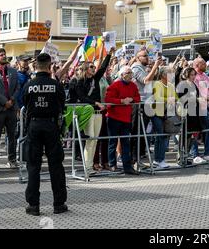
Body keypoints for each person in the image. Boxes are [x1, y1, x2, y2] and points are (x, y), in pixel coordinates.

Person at [22, 53, 67, 216]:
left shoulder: (29, 85)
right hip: (51, 125)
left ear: (35, 67)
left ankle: (33, 206)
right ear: (50, 67)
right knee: (56, 165)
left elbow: (24, 103)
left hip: (34, 125)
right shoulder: (56, 85)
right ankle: (59, 204)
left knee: (33, 166)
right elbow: (62, 105)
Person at [75, 46, 113, 175]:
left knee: (95, 140)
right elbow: (82, 97)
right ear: (86, 69)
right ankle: (88, 166)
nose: (93, 68)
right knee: (90, 139)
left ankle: (90, 166)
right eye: (91, 67)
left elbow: (102, 68)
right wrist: (95, 102)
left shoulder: (95, 79)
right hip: (88, 112)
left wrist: (109, 54)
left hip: (98, 113)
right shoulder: (80, 82)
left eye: (93, 67)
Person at [0, 48, 20, 171]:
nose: (3, 56)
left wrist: (11, 100)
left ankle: (12, 160)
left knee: (12, 135)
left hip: (11, 108)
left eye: (4, 54)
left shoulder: (13, 71)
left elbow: (18, 87)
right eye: (1, 54)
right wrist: (4, 102)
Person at [105, 66, 140, 174]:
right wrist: (121, 101)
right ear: (122, 75)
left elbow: (138, 98)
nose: (130, 75)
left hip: (126, 118)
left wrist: (132, 99)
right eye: (128, 73)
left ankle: (127, 167)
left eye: (131, 73)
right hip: (113, 117)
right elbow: (108, 99)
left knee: (126, 143)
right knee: (113, 141)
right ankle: (112, 164)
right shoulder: (115, 85)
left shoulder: (133, 85)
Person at [151, 66, 178, 168]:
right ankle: (158, 159)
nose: (172, 75)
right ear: (163, 75)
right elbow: (157, 97)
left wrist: (171, 99)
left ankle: (159, 159)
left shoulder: (170, 85)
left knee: (165, 135)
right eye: (169, 73)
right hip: (156, 113)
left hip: (166, 113)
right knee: (160, 135)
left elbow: (176, 97)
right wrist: (169, 99)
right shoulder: (157, 84)